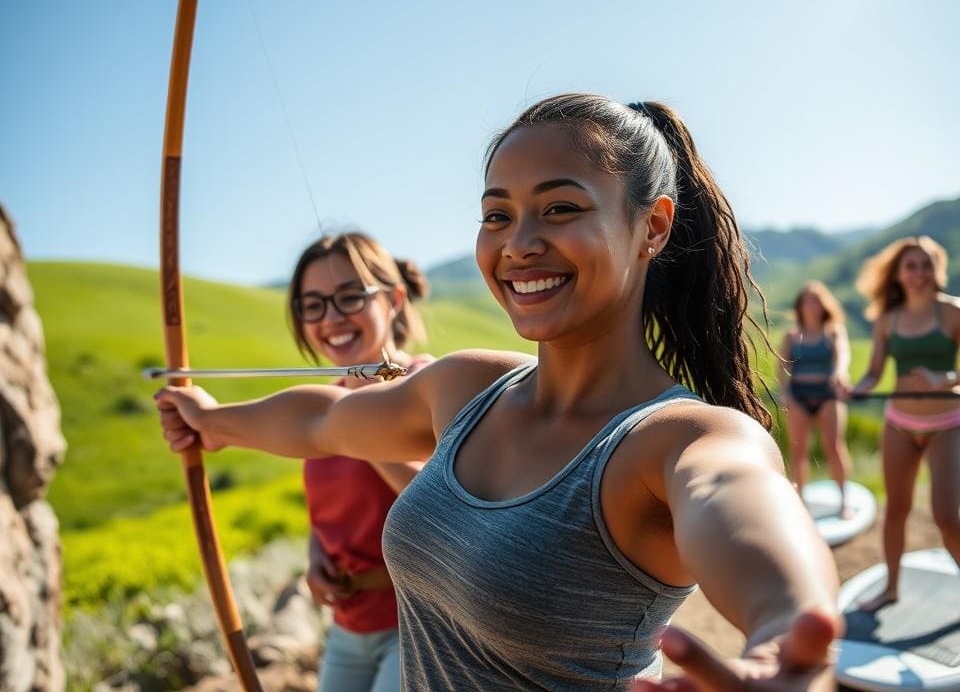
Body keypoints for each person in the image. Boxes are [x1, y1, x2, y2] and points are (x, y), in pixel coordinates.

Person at [158, 94, 840, 691]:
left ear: (653, 226)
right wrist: (214, 422)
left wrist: (784, 644)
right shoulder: (469, 388)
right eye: (497, 215)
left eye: (560, 208)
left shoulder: (681, 440)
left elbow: (744, 508)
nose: (519, 243)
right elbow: (324, 421)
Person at [290, 232, 433, 692]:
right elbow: (328, 509)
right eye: (312, 305)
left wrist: (357, 419)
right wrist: (316, 561)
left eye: (349, 297)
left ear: (392, 300)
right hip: (348, 626)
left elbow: (445, 505)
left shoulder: (429, 382)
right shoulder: (325, 398)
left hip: (419, 622)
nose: (331, 318)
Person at [850, 236, 960, 611]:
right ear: (898, 273)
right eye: (911, 266)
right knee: (896, 510)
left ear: (937, 268)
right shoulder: (887, 319)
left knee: (947, 517)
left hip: (947, 423)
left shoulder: (952, 312)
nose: (919, 273)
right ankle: (891, 589)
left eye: (926, 264)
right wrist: (857, 389)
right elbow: (874, 372)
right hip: (899, 423)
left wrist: (942, 378)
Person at [778, 281, 852, 513]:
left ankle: (844, 502)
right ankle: (800, 504)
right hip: (799, 396)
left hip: (827, 395)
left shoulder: (833, 331)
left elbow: (843, 356)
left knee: (834, 448)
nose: (812, 306)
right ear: (800, 306)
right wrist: (786, 392)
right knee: (798, 451)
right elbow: (782, 367)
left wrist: (840, 373)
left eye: (817, 300)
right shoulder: (791, 335)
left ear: (824, 305)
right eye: (808, 301)